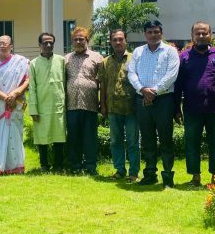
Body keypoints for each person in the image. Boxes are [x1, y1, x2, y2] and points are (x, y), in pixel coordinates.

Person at [175, 21, 215, 187]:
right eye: (197, 33)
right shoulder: (184, 58)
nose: (201, 36)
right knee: (192, 145)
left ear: (210, 35)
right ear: (192, 36)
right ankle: (195, 177)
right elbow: (177, 85)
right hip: (192, 110)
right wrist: (176, 108)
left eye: (204, 33)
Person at [127, 20, 180, 187]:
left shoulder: (170, 51)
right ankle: (150, 174)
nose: (153, 35)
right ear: (145, 34)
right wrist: (143, 89)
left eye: (156, 31)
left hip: (164, 100)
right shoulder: (138, 51)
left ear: (161, 33)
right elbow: (131, 73)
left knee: (166, 139)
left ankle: (168, 176)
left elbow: (172, 74)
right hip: (142, 99)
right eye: (149, 32)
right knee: (147, 139)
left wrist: (154, 91)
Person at [0, 35, 29, 175]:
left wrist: (15, 94)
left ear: (11, 46)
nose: (2, 46)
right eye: (0, 43)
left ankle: (16, 166)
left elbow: (27, 81)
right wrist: (6, 98)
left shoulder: (21, 62)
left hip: (16, 103)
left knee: (15, 133)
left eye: (5, 43)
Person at [99, 29, 139, 182]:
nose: (118, 42)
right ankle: (120, 170)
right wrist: (103, 105)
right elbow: (103, 84)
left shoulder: (134, 59)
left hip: (132, 108)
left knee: (133, 142)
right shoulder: (105, 62)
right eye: (114, 40)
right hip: (113, 108)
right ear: (110, 42)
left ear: (125, 41)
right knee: (116, 141)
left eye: (120, 39)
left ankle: (133, 172)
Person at [64, 27, 103, 174]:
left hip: (90, 104)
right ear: (72, 41)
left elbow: (102, 82)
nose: (79, 42)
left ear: (87, 40)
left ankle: (90, 166)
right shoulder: (66, 59)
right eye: (76, 39)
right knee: (73, 136)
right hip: (71, 104)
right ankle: (75, 166)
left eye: (81, 39)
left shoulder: (97, 57)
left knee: (90, 137)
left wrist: (102, 102)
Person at [28, 32, 67, 172]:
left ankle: (58, 165)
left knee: (59, 136)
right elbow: (32, 88)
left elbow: (66, 83)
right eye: (45, 43)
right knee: (42, 137)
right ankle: (44, 164)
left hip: (58, 104)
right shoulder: (33, 63)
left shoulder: (61, 61)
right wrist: (33, 109)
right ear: (39, 44)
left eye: (51, 42)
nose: (48, 45)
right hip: (41, 105)